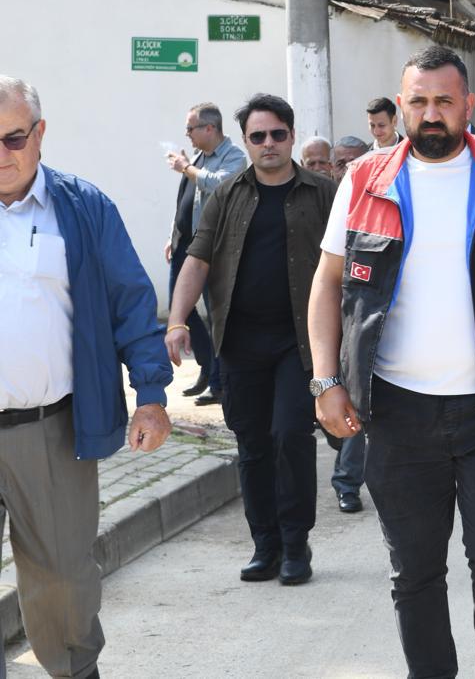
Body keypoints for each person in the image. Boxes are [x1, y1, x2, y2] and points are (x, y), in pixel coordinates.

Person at [307, 45, 475, 679]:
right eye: (419, 102)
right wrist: (326, 382)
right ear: (403, 105)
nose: (431, 114)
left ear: (468, 106)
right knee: (415, 567)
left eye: (444, 102)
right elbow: (326, 286)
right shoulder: (363, 180)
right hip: (398, 412)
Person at [0, 74, 173, 679]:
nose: (1, 155)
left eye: (12, 138)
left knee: (63, 577)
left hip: (48, 430)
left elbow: (131, 300)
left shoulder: (82, 207)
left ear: (40, 134)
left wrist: (151, 395)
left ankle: (75, 672)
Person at [167, 93, 336, 586]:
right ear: (246, 141)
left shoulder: (322, 193)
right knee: (253, 445)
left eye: (277, 135)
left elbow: (348, 264)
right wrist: (177, 321)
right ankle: (265, 544)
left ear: (291, 136)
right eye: (257, 136)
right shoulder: (226, 195)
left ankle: (296, 544)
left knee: (290, 436)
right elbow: (197, 260)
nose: (268, 144)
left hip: (299, 344)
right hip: (239, 342)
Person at [164, 102, 246, 405]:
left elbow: (219, 184)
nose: (187, 134)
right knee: (179, 309)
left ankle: (218, 381)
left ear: (210, 128)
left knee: (216, 314)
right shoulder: (199, 157)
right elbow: (187, 199)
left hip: (212, 248)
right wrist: (173, 233)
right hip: (185, 243)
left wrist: (186, 168)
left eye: (191, 128)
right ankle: (206, 365)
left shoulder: (234, 156)